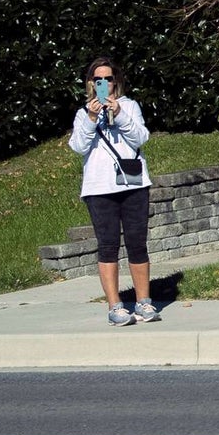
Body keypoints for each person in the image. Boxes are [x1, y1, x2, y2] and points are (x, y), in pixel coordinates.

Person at [68, 56, 159, 325]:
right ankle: (115, 306)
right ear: (91, 84)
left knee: (137, 244)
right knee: (108, 246)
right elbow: (78, 147)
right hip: (99, 188)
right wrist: (92, 117)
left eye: (109, 78)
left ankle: (144, 302)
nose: (104, 83)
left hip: (133, 184)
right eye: (99, 80)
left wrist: (118, 115)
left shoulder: (129, 106)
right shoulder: (83, 113)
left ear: (116, 80)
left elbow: (142, 138)